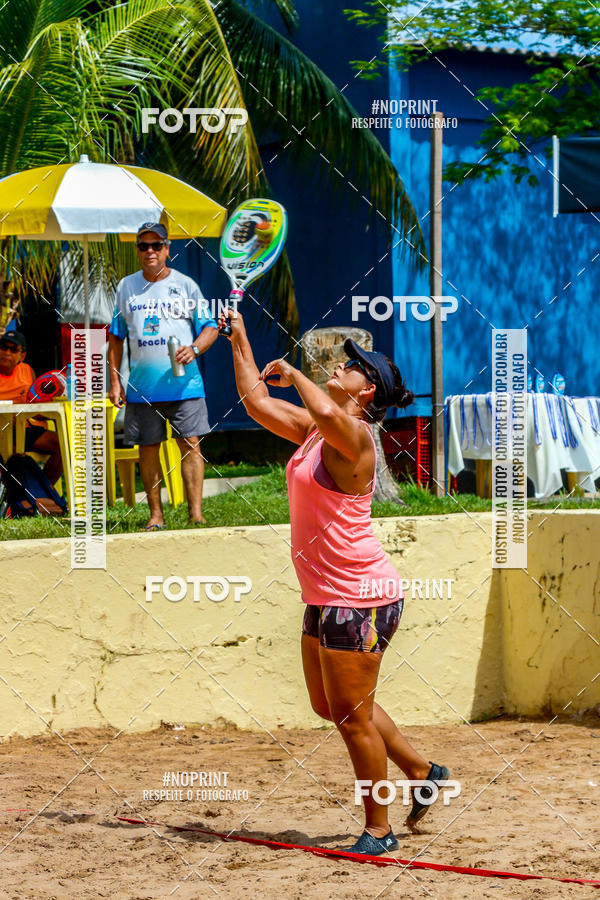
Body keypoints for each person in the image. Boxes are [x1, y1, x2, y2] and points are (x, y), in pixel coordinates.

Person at [221, 307, 450, 855]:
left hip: (361, 597)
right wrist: (239, 338)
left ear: (367, 390)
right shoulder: (315, 431)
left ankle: (379, 830)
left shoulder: (356, 437)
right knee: (332, 707)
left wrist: (295, 373)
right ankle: (424, 772)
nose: (339, 367)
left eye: (352, 366)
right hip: (327, 596)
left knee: (352, 720)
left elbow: (325, 410)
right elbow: (256, 401)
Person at [108, 223, 218, 530]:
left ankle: (196, 514)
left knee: (190, 444)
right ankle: (156, 515)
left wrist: (194, 349)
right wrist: (115, 382)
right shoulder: (126, 286)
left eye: (157, 245)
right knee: (148, 447)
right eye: (143, 246)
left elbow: (210, 328)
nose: (150, 251)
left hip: (185, 384)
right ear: (137, 251)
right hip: (142, 388)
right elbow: (115, 337)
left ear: (168, 249)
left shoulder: (185, 285)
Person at [0, 331, 63, 484]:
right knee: (11, 455)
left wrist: (43, 412)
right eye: (3, 347)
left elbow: (35, 407)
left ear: (22, 356)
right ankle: (16, 493)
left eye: (13, 349)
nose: (7, 352)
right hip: (1, 430)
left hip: (24, 428)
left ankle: (41, 492)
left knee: (64, 445)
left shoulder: (27, 371)